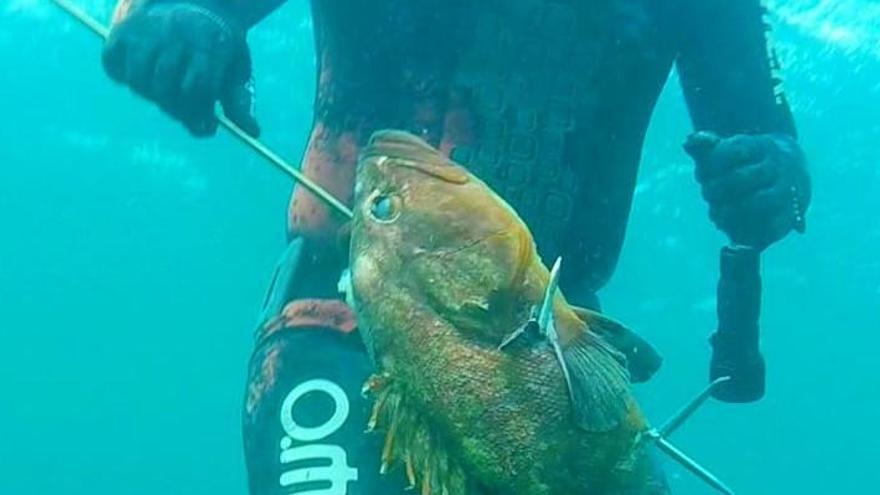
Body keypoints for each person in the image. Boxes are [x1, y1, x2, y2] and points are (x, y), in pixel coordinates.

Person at [100, 1, 811, 493]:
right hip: (343, 313)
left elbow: (767, 138)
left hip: (556, 365)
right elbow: (165, 15)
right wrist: (187, 26)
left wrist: (775, 177)